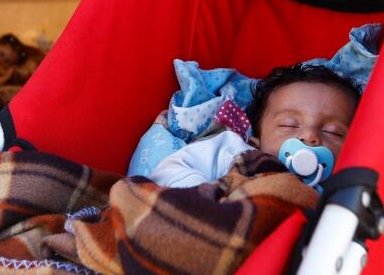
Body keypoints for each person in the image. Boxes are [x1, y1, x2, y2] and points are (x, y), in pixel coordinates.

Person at [148, 63, 360, 188]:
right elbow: (169, 169)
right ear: (255, 141)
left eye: (332, 131)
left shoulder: (344, 191)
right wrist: (208, 200)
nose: (309, 135)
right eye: (289, 125)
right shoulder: (235, 151)